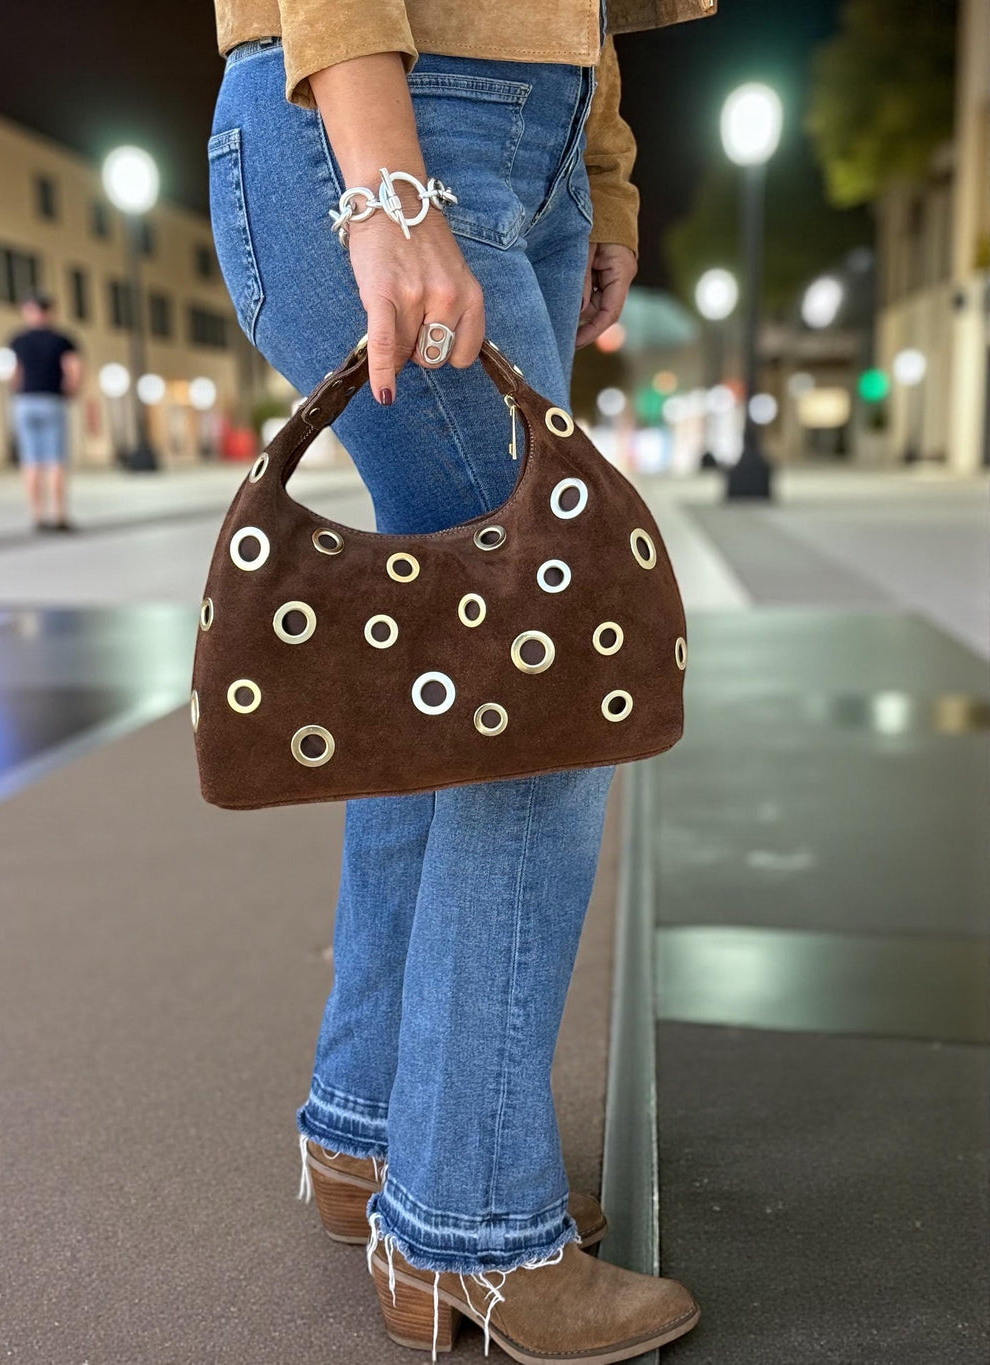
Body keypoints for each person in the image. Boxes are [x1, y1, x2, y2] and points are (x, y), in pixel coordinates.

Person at [210, 2, 711, 1359]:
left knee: (451, 678)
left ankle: (372, 1137)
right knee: (542, 688)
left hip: (516, 141)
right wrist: (382, 177)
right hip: (388, 125)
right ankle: (468, 1225)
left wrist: (599, 175)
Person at [8, 291, 82, 532]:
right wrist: (70, 391)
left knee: (31, 461)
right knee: (55, 460)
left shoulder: (18, 340)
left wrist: (18, 393)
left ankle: (38, 516)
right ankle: (60, 516)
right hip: (52, 401)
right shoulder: (62, 340)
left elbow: (15, 374)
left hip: (25, 402)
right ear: (50, 312)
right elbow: (73, 369)